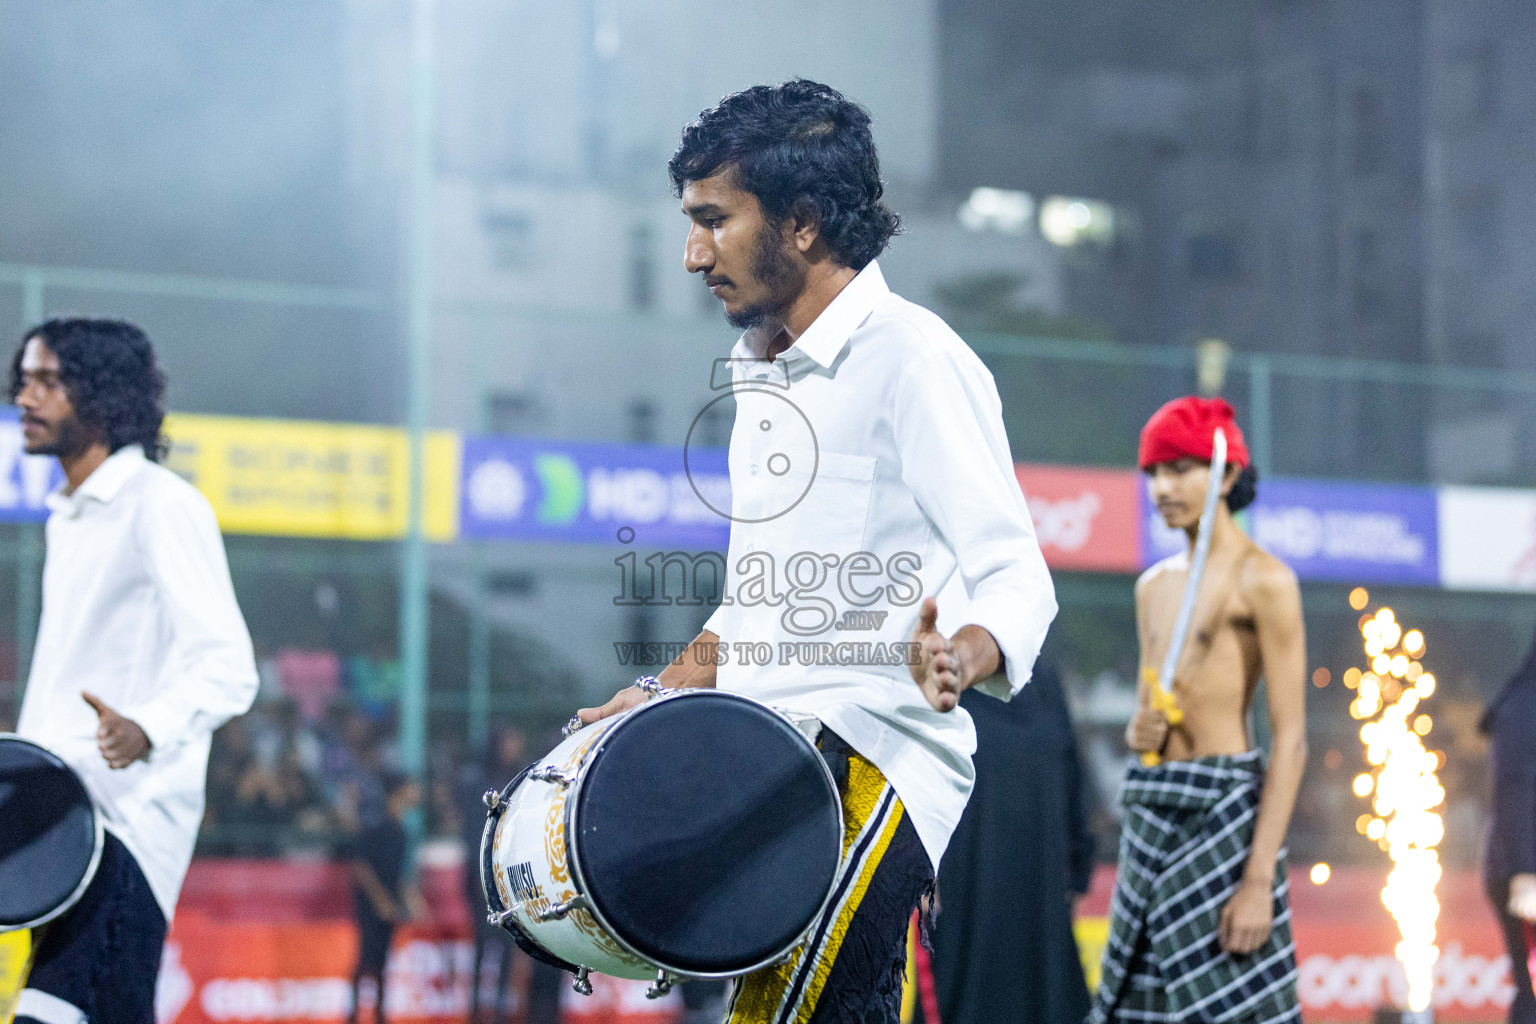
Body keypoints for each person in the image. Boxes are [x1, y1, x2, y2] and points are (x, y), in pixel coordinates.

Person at [578, 79, 1057, 1024]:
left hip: (871, 762)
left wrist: (959, 655)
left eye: (715, 220)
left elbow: (1015, 574)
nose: (690, 254)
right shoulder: (760, 378)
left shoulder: (916, 359)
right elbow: (747, 607)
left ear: (801, 222)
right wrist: (653, 697)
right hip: (767, 774)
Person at [10, 318, 259, 1024]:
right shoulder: (69, 517)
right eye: (23, 379)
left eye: (48, 381)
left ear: (104, 396)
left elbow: (228, 666)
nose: (25, 396)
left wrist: (146, 727)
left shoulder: (160, 504)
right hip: (58, 828)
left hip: (125, 829)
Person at [1089, 397, 1306, 1024]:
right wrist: (1138, 731)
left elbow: (1291, 738)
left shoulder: (1265, 580)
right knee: (1135, 1002)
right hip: (1153, 811)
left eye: (1182, 468)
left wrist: (1259, 879)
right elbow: (1145, 719)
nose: (1164, 487)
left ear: (1227, 475)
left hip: (1224, 817)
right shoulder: (1152, 587)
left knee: (1234, 1005)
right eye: (1155, 472)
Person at [930, 655, 1095, 1024]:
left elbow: (1071, 772)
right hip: (966, 887)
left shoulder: (1043, 676)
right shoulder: (946, 670)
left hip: (1040, 886)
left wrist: (1078, 861)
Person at [1480, 623, 1536, 1024]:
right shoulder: (1523, 706)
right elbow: (1514, 791)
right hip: (1525, 870)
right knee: (1533, 994)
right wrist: (1526, 874)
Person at [349, 773, 427, 1024]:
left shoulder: (402, 831)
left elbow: (397, 875)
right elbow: (361, 866)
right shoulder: (377, 824)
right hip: (370, 907)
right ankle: (352, 1015)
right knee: (365, 962)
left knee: (381, 963)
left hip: (389, 908)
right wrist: (381, 900)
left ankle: (379, 1016)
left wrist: (411, 899)